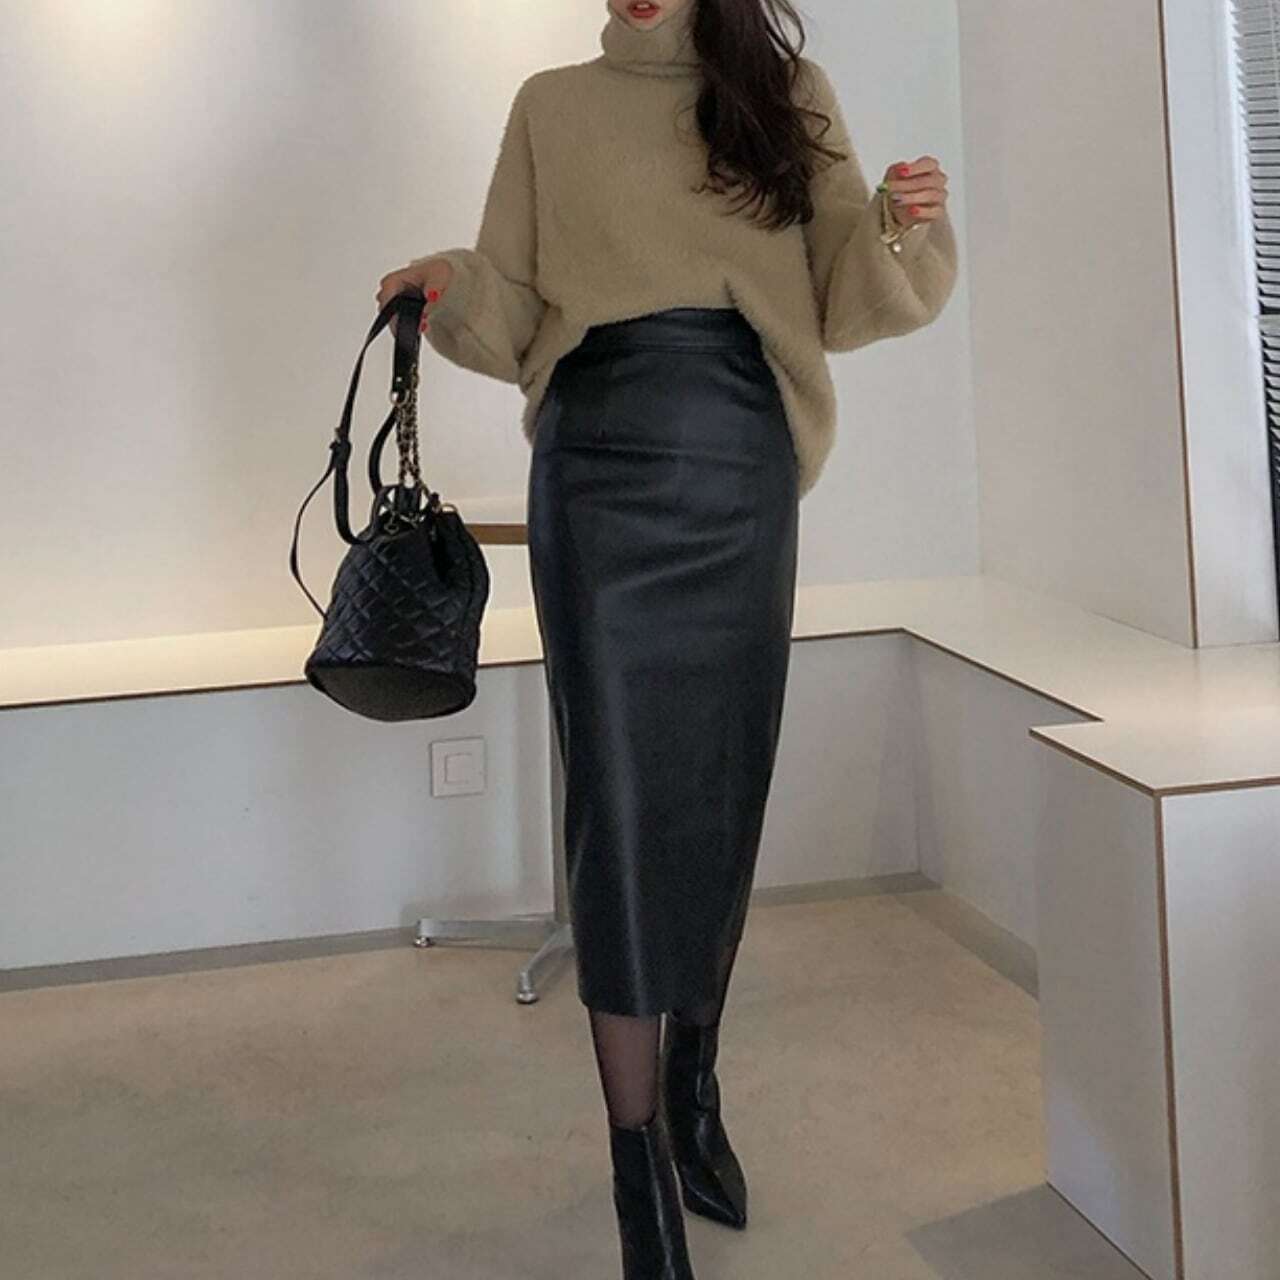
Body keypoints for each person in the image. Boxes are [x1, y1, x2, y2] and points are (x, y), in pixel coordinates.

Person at [377, 1, 956, 1274]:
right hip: (593, 465)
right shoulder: (549, 105)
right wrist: (451, 284)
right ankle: (637, 1165)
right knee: (620, 802)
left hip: (738, 460)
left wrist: (899, 221)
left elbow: (842, 293)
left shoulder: (782, 91)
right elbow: (514, 295)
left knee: (718, 788)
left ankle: (694, 1085)